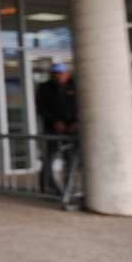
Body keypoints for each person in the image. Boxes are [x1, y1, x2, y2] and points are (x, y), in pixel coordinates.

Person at [35, 61, 78, 194]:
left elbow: (81, 106)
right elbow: (41, 108)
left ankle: (68, 186)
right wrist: (55, 121)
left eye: (60, 73)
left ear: (67, 74)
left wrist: (76, 122)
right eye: (55, 74)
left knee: (70, 158)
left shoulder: (75, 86)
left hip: (71, 129)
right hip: (52, 128)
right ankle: (47, 185)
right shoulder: (45, 88)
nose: (58, 76)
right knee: (50, 156)